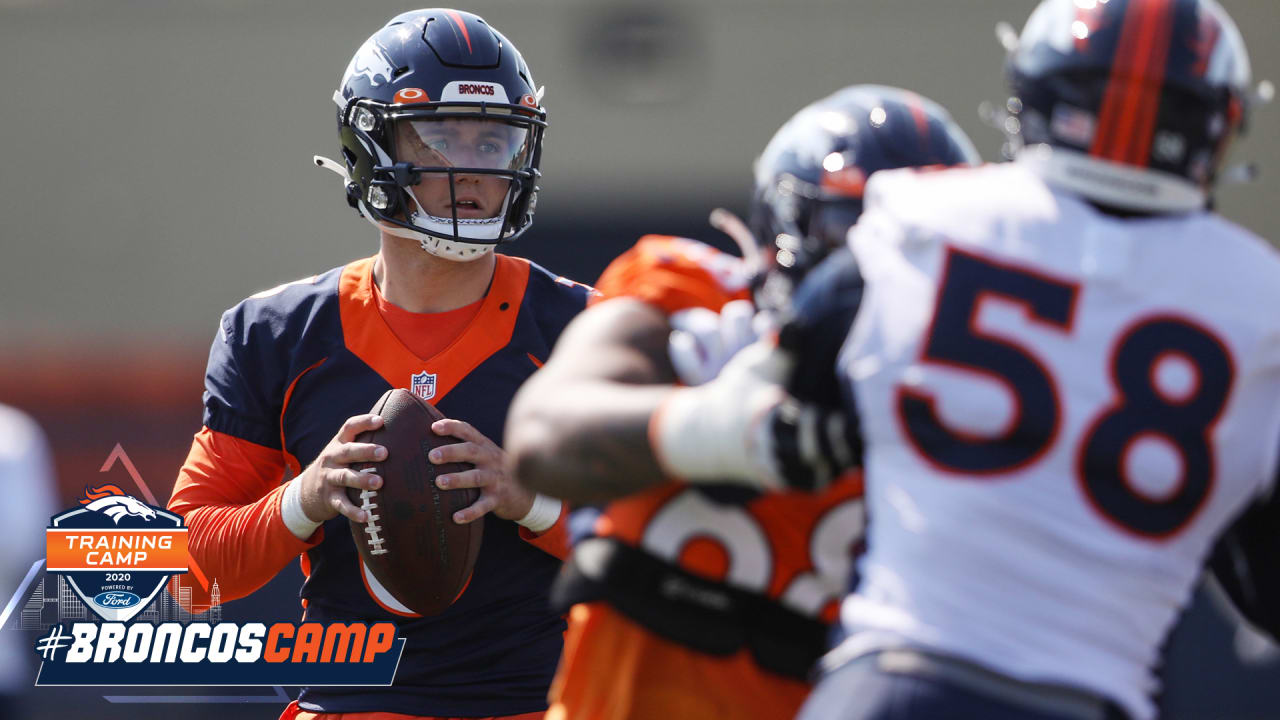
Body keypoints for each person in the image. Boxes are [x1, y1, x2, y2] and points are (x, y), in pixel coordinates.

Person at [590, 1, 1279, 719]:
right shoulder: (1258, 302)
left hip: (898, 681)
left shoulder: (924, 219)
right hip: (1090, 696)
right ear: (1218, 125)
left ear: (1037, 97)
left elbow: (758, 417)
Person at [506, 85, 979, 720]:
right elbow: (542, 438)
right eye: (853, 228)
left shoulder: (974, 403)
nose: (878, 266)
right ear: (785, 223)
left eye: (919, 241)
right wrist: (734, 430)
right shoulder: (699, 305)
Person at [168, 9, 590, 719]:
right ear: (369, 145)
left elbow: (666, 550)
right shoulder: (276, 334)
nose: (473, 168)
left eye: (493, 140)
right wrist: (305, 498)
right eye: (438, 137)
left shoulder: (584, 327)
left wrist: (531, 500)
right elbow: (186, 571)